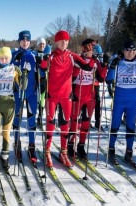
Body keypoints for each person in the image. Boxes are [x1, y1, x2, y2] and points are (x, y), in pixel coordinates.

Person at [40, 30, 95, 167]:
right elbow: (42, 69)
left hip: (66, 96)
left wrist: (91, 56)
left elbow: (88, 67)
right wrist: (45, 58)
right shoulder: (52, 56)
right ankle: (47, 152)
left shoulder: (72, 56)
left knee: (65, 125)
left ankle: (63, 152)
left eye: (66, 40)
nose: (64, 43)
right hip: (52, 96)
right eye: (61, 40)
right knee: (50, 125)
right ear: (56, 42)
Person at [0, 47, 26, 173]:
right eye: (2, 58)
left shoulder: (15, 69)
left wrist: (25, 73)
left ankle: (5, 156)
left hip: (9, 104)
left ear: (10, 58)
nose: (4, 60)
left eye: (6, 58)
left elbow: (23, 85)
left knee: (7, 133)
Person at [67, 39, 108, 160]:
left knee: (86, 123)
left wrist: (105, 65)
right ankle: (70, 145)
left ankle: (81, 146)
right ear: (84, 48)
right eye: (89, 48)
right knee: (75, 122)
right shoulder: (78, 59)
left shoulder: (95, 62)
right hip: (77, 95)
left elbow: (101, 78)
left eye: (92, 48)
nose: (91, 50)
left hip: (90, 96)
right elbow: (72, 76)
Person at [106, 40, 136, 168]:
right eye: (127, 50)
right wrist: (112, 67)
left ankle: (129, 154)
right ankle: (111, 151)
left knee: (130, 128)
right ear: (123, 51)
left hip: (133, 102)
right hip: (119, 100)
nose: (130, 53)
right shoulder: (119, 63)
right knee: (115, 126)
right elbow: (108, 80)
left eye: (132, 50)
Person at [11, 30, 37, 162]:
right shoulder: (14, 54)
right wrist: (15, 63)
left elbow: (42, 72)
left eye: (27, 41)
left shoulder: (34, 55)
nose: (25, 42)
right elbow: (7, 70)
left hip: (32, 92)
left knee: (32, 118)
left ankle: (32, 146)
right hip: (18, 92)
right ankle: (17, 143)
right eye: (23, 40)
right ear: (19, 41)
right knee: (17, 118)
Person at [34, 38, 51, 128]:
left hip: (46, 79)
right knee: (40, 100)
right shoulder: (36, 54)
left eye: (43, 44)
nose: (42, 46)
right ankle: (39, 117)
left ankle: (47, 118)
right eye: (40, 44)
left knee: (46, 99)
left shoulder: (48, 54)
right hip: (38, 79)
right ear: (38, 45)